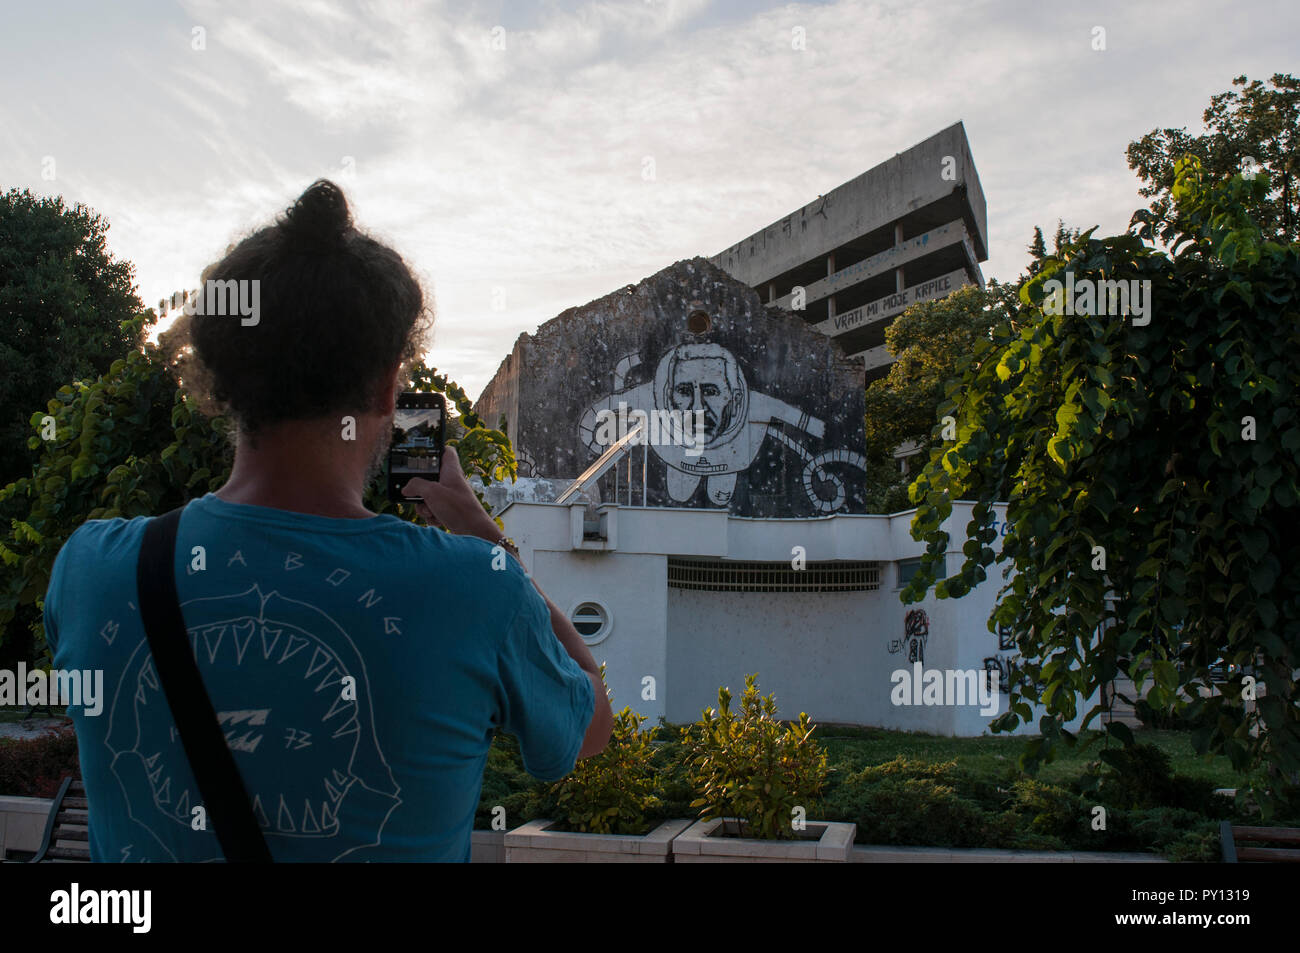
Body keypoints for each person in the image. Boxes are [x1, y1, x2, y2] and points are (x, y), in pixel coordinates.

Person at [42, 179, 612, 862]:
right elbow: (591, 722)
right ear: (384, 389)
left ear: (222, 379)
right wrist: (478, 529)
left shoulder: (92, 571)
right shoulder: (473, 588)